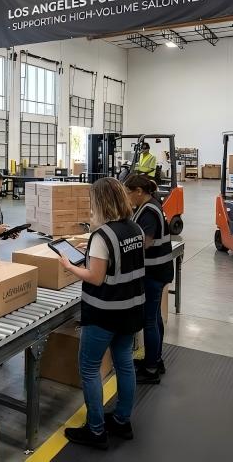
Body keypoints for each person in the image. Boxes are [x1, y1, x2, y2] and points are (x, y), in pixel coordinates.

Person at [58, 177, 146, 450]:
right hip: (131, 308)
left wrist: (69, 266)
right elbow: (119, 262)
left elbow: (95, 277)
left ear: (101, 202)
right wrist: (92, 254)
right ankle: (121, 420)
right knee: (124, 362)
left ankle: (95, 430)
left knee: (89, 367)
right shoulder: (134, 228)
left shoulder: (102, 235)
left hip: (104, 311)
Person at [124, 174, 174, 384]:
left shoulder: (149, 211)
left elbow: (145, 242)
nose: (127, 197)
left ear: (138, 191)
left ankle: (151, 368)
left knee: (149, 320)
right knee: (154, 317)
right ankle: (155, 359)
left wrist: (122, 249)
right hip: (159, 270)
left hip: (154, 272)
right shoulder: (150, 205)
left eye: (128, 193)